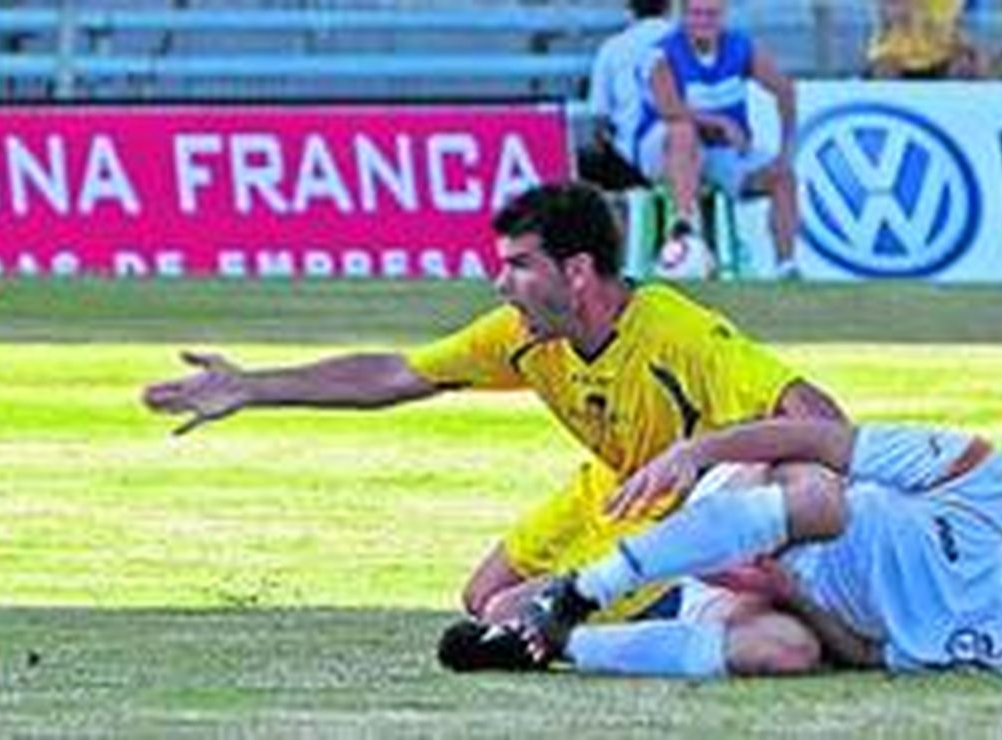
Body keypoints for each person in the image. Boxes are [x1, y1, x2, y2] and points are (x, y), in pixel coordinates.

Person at [142, 181, 844, 626]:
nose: (498, 284)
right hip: (609, 492)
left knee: (511, 616)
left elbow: (822, 419)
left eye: (516, 265)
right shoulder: (520, 335)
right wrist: (252, 386)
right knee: (483, 597)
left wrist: (726, 474)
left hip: (678, 518)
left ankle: (709, 595)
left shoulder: (676, 333)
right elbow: (395, 376)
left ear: (575, 274)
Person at [441, 419, 1002, 679]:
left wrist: (788, 592)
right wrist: (696, 454)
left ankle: (554, 646)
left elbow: (867, 658)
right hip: (757, 506)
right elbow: (819, 441)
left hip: (767, 587)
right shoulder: (982, 472)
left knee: (789, 653)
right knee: (826, 501)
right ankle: (580, 591)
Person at [632, 0, 802, 281]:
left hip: (721, 152)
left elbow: (784, 90)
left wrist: (786, 150)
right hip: (664, 149)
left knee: (783, 176)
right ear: (683, 16)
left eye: (711, 14)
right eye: (697, 14)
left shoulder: (740, 47)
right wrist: (720, 122)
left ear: (723, 17)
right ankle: (685, 225)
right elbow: (669, 108)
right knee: (683, 132)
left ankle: (786, 265)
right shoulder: (661, 53)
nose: (704, 21)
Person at [578, 0, 674, 192]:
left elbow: (599, 116)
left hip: (629, 165)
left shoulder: (612, 48)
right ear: (669, 6)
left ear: (630, 9)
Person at [866, 0, 989, 79]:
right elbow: (893, 13)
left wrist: (968, 50)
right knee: (884, 71)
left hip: (942, 54)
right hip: (895, 54)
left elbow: (960, 24)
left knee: (967, 65)